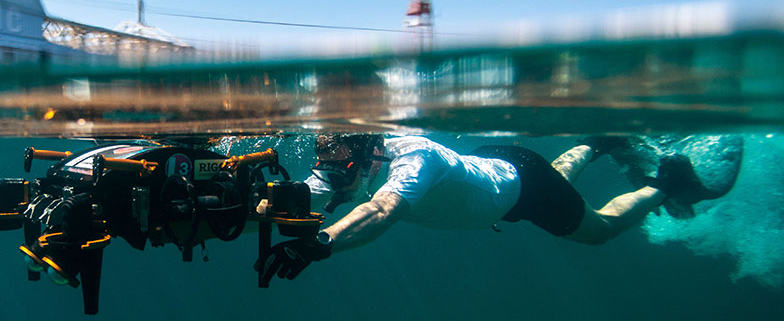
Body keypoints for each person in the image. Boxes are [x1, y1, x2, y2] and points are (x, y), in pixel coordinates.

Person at [255, 134, 730, 284]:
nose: (332, 180)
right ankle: (597, 143)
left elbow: (383, 210)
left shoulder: (412, 158)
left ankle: (666, 185)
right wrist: (244, 205)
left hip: (522, 188)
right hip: (499, 167)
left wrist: (321, 244)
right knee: (555, 179)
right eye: (328, 169)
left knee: (599, 229)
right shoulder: (348, 162)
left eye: (342, 171)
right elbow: (302, 193)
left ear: (371, 155)